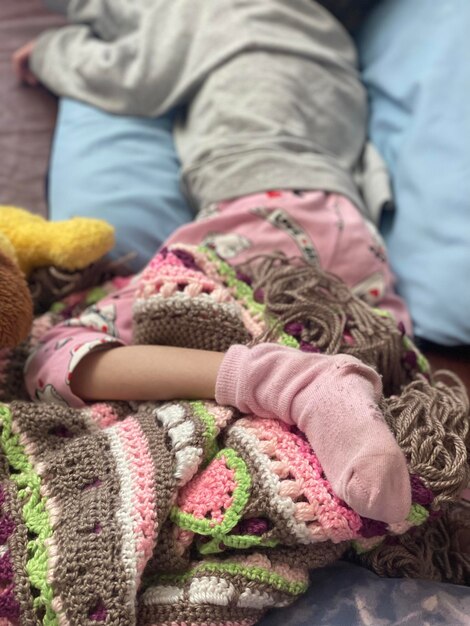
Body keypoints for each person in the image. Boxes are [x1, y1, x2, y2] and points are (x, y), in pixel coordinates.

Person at [15, 0, 412, 525]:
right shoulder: (327, 34)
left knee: (51, 354)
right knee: (396, 399)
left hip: (258, 217)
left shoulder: (213, 9)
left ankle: (291, 381)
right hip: (353, 236)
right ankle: (330, 400)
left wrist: (49, 51)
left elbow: (133, 76)